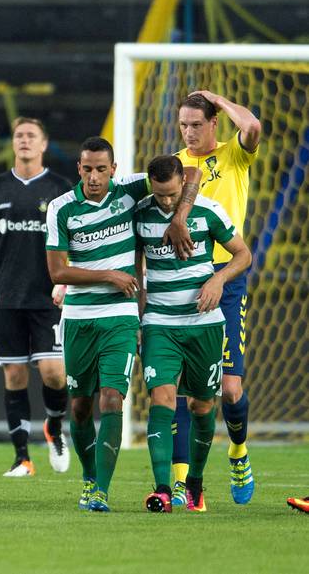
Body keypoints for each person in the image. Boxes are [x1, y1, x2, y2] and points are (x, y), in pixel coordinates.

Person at [45, 137, 199, 512]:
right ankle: (88, 477)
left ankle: (100, 490)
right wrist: (110, 275)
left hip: (120, 318)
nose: (94, 177)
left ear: (114, 169)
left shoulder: (130, 189)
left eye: (101, 169)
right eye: (87, 169)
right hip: (79, 317)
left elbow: (190, 171)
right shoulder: (61, 208)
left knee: (112, 398)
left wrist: (179, 218)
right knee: (80, 407)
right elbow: (57, 270)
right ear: (78, 169)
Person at [135, 155, 251, 513]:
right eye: (160, 195)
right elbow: (136, 267)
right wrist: (138, 321)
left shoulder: (209, 210)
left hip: (203, 324)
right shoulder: (140, 212)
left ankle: (196, 483)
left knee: (202, 405)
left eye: (172, 195)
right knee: (163, 400)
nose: (166, 202)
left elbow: (243, 255)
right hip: (160, 324)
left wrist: (218, 278)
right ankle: (164, 490)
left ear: (182, 186)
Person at [171, 90, 262, 506]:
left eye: (196, 124)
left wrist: (218, 99)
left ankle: (239, 452)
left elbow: (253, 126)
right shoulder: (175, 166)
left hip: (226, 279)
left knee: (229, 389)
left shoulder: (234, 155)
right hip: (182, 281)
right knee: (183, 388)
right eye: (183, 125)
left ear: (213, 124)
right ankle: (187, 486)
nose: (188, 133)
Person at [0, 117, 71, 477]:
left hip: (48, 297)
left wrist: (66, 280)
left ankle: (54, 424)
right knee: (15, 377)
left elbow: (73, 239)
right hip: (6, 297)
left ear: (44, 144)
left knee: (54, 373)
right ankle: (22, 458)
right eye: (18, 135)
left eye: (30, 136)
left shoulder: (60, 187)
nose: (23, 141)